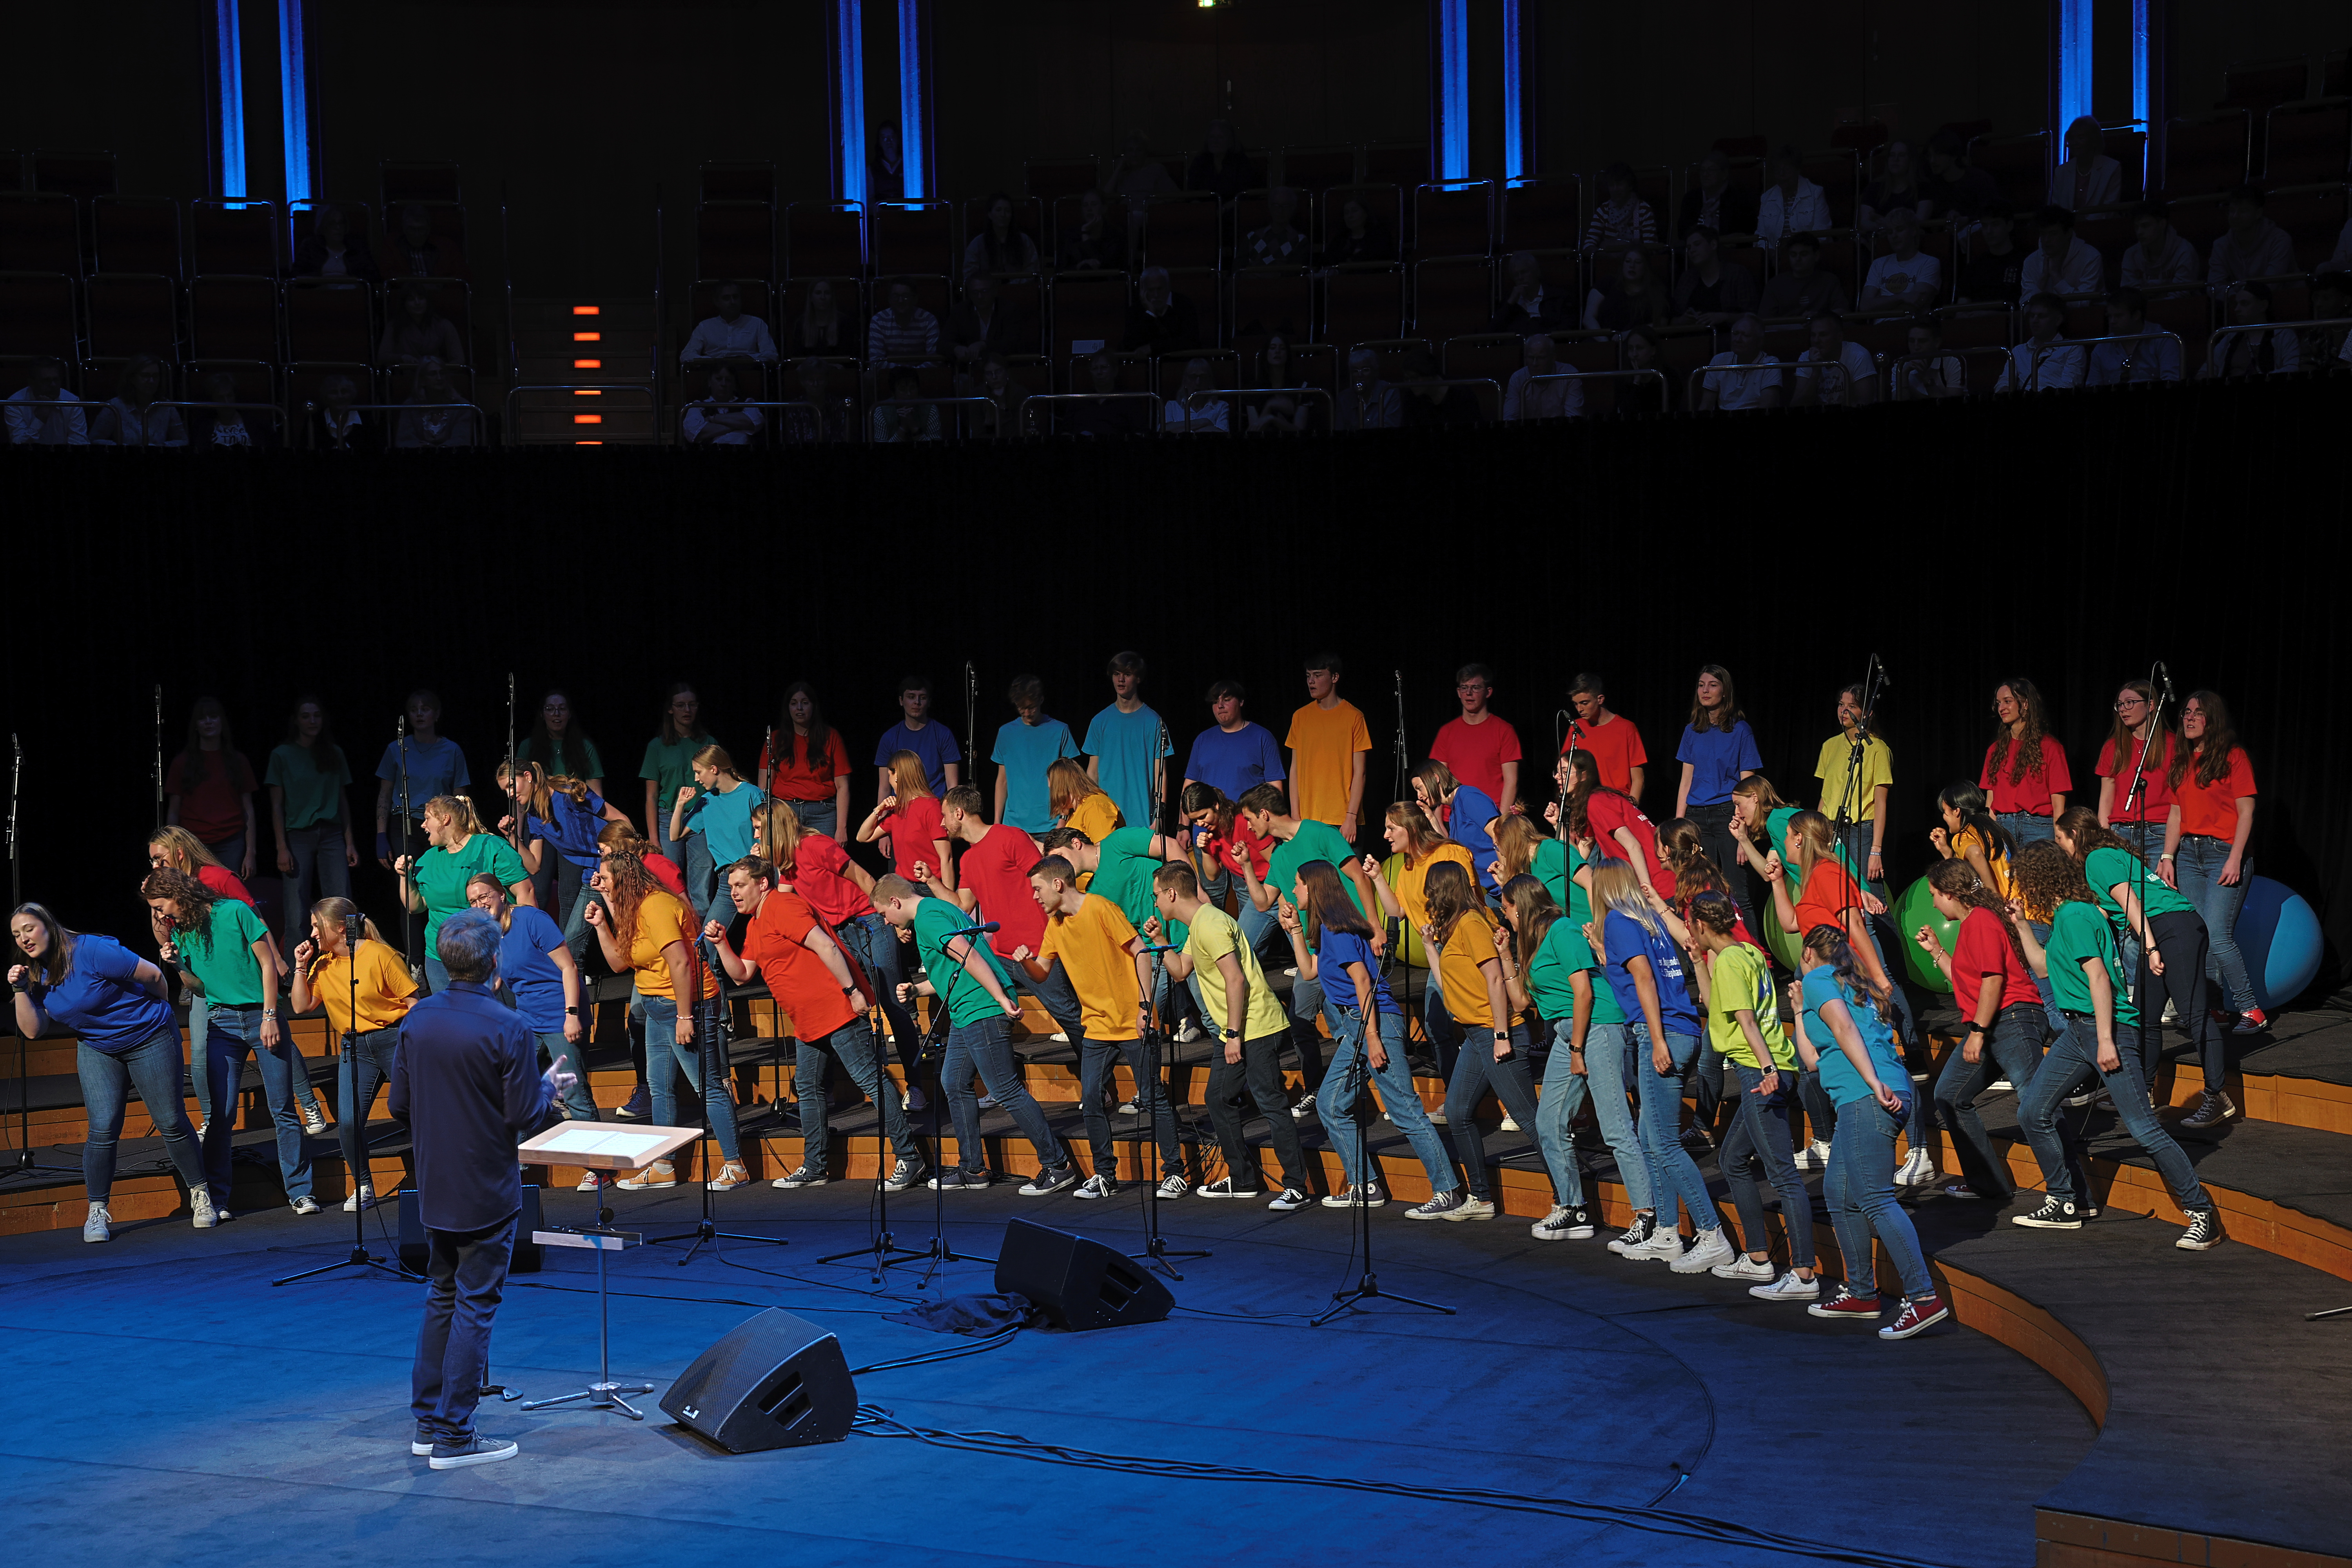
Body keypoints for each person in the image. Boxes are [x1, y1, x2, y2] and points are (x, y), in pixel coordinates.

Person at [392, 909, 574, 1469]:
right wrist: (548, 1091)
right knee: (474, 1305)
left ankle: (428, 1422)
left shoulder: (417, 1019)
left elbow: (400, 1105)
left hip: (436, 1186)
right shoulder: (508, 1026)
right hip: (486, 1189)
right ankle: (453, 1436)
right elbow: (524, 1114)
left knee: (441, 1296)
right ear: (496, 964)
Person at [2009, 844, 2225, 1250]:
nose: (2017, 885)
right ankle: (2066, 1201)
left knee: (2144, 1128)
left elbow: (2099, 980)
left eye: (2020, 877)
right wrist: (2021, 925)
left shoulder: (2075, 914)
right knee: (2033, 1111)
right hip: (2079, 1031)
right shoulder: (2070, 915)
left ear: (2037, 878)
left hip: (2104, 1029)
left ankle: (2202, 1214)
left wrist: (2107, 1040)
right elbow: (2042, 968)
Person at [711, 857, 923, 1193]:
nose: (733, 893)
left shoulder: (784, 906)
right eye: (732, 887)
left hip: (836, 1008)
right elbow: (741, 975)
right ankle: (815, 1166)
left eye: (740, 885)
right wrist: (722, 943)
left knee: (870, 1080)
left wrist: (853, 992)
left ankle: (910, 1157)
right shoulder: (755, 923)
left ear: (762, 884)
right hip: (809, 1019)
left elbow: (826, 946)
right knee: (808, 1087)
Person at [12, 902, 214, 1240]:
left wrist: (153, 1016)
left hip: (148, 1036)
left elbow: (153, 978)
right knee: (103, 1128)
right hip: (98, 1047)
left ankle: (201, 1193)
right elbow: (34, 1030)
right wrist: (20, 990)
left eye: (29, 929)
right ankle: (97, 1211)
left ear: (49, 925)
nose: (24, 939)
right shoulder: (36, 973)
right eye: (17, 935)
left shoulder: (93, 950)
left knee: (170, 1120)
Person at [1788, 926, 1950, 1338]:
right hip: (1869, 1094)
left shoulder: (1818, 978)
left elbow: (1845, 1030)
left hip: (1868, 1095)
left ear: (1809, 952)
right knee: (1840, 1194)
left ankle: (1923, 1298)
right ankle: (1862, 1292)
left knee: (1876, 1199)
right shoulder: (1845, 983)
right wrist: (1797, 1010)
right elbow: (1810, 1060)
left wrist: (1872, 1082)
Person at [875, 873, 1075, 1193]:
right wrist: (917, 990)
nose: (887, 922)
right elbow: (954, 971)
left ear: (895, 902)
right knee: (953, 1081)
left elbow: (967, 955)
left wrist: (999, 997)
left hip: (982, 1008)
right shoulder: (939, 910)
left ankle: (1057, 1166)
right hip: (968, 1010)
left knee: (1005, 1089)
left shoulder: (928, 919)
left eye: (885, 914)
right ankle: (973, 1169)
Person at [1275, 857, 1452, 1209]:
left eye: (1298, 884)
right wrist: (1294, 930)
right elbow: (1309, 972)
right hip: (1359, 1026)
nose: (1294, 891)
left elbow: (1363, 982)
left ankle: (1447, 1191)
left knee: (1405, 1110)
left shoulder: (1337, 931)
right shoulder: (1328, 928)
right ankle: (1365, 1186)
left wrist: (1372, 1037)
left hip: (1374, 1023)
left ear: (1314, 887)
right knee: (1330, 1104)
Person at [145, 866, 314, 1219]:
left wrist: (270, 1016)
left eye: (160, 906)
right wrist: (178, 966)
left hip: (260, 1014)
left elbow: (268, 964)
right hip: (221, 1021)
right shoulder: (186, 932)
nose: (159, 915)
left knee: (282, 1106)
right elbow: (201, 989)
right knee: (220, 1116)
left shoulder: (235, 910)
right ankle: (219, 1199)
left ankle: (300, 1192)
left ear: (179, 895)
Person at [1587, 861, 1728, 1268]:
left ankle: (1710, 1232)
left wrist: (1658, 1039)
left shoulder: (1618, 920)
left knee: (1664, 1143)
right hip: (1679, 1028)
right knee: (1650, 1137)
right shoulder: (1647, 919)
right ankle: (1667, 1233)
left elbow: (1646, 980)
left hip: (1662, 1032)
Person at [2052, 806, 2232, 1127]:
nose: (2061, 846)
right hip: (2162, 928)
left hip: (2173, 928)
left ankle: (2217, 1096)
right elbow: (2112, 912)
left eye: (2060, 839)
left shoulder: (2098, 858)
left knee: (2193, 1013)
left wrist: (2149, 947)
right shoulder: (2105, 858)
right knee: (2145, 1016)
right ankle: (2144, 1092)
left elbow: (2131, 904)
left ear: (2075, 835)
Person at [147, 824, 328, 1138]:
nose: (155, 866)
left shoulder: (218, 878)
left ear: (178, 853)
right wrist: (155, 902)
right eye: (151, 861)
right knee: (202, 1054)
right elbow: (165, 935)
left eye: (160, 859)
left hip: (243, 978)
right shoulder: (167, 896)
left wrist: (277, 957)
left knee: (276, 1042)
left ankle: (309, 1104)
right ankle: (211, 1118)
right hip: (204, 983)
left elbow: (253, 918)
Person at [584, 848, 748, 1192]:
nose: (599, 882)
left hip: (684, 1003)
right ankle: (663, 1166)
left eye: (606, 879)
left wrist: (686, 1016)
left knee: (708, 1086)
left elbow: (681, 963)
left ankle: (735, 1165)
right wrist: (602, 922)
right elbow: (618, 963)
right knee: (660, 1087)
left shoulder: (656, 906)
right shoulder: (633, 908)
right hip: (656, 1004)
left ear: (625, 880)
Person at [1149, 862, 1311, 1205]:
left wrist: (1234, 1033)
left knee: (1270, 1101)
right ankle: (1243, 1179)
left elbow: (1235, 979)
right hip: (1234, 1030)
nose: (1156, 903)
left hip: (1256, 1026)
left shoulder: (1211, 925)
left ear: (1172, 893)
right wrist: (1161, 942)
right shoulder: (1197, 927)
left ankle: (1296, 1185)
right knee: (1218, 1098)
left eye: (1157, 896)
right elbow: (1180, 972)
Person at [1019, 854, 1177, 1201]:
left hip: (1131, 1020)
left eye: (1038, 889)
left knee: (1152, 1097)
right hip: (1096, 1027)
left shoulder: (1101, 909)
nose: (1035, 896)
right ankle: (1106, 1175)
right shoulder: (1056, 926)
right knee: (1091, 1099)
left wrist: (1144, 1006)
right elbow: (1043, 973)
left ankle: (1174, 1172)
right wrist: (1025, 963)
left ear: (1058, 884)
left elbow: (1141, 951)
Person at [1684, 891, 1818, 1299]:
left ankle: (1804, 1274)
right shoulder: (1746, 952)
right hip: (1771, 1064)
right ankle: (1759, 1258)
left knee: (1782, 1175)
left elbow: (1744, 1019)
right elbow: (1716, 1005)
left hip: (1761, 1069)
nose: (1689, 930)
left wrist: (1766, 1069)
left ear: (1703, 925)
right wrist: (1696, 961)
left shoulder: (1728, 961)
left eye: (1691, 924)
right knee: (1732, 1159)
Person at [1497, 873, 1632, 1243]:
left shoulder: (1563, 929)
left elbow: (1585, 992)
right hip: (1565, 1031)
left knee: (1616, 1127)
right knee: (1548, 1122)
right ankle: (1573, 1209)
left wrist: (1576, 1049)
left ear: (1521, 907)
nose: (1503, 914)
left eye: (1506, 907)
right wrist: (1507, 955)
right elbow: (1524, 1004)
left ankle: (1650, 1218)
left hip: (1597, 1027)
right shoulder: (1533, 943)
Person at [1234, 781, 1380, 1112]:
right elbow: (1262, 903)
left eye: (1250, 819)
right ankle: (1320, 1089)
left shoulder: (1317, 833)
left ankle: (1367, 1083)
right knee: (1301, 1018)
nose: (1249, 827)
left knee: (1353, 1015)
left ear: (1264, 814)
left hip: (1349, 939)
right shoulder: (1282, 855)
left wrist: (1373, 929)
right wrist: (1246, 866)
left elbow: (1359, 877)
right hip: (1319, 950)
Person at [1913, 860, 2049, 1203]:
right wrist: (1937, 952)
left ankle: (2071, 1194)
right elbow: (1969, 979)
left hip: (2012, 1018)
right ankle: (1989, 1183)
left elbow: (1994, 980)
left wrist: (1976, 1031)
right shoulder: (1972, 924)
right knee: (1949, 1095)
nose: (1932, 903)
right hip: (1992, 1022)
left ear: (1949, 893)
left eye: (1934, 895)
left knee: (2037, 1104)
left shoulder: (1983, 921)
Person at [756, 800, 920, 1079]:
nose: (757, 836)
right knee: (842, 1002)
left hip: (867, 921)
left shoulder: (815, 846)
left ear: (776, 827)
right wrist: (759, 871)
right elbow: (779, 902)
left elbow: (863, 876)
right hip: (838, 933)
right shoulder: (786, 861)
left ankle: (916, 1086)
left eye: (760, 829)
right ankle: (853, 1080)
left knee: (892, 1002)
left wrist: (891, 920)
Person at [290, 897, 421, 1213]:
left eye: (316, 925)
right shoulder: (323, 964)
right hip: (355, 1048)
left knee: (417, 1112)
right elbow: (300, 1006)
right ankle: (363, 1185)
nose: (313, 933)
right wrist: (300, 967)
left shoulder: (380, 955)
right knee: (348, 1123)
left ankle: (436, 1174)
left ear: (339, 927)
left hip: (394, 1040)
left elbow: (413, 1004)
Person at [935, 785, 1085, 1043]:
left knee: (1069, 1015)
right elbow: (962, 904)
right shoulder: (968, 860)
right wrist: (931, 882)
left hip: (1035, 949)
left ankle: (1100, 1074)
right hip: (1001, 955)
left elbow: (1048, 883)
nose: (942, 822)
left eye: (944, 815)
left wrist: (1058, 938)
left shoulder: (1009, 837)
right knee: (979, 999)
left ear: (959, 813)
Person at [2162, 690, 2263, 1035]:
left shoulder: (2234, 757)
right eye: (2186, 712)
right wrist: (2167, 856)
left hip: (2224, 853)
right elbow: (2176, 813)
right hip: (2189, 854)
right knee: (2198, 933)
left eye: (2198, 713)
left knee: (2219, 935)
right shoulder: (2183, 762)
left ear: (2213, 719)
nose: (2189, 718)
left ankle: (2251, 1009)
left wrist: (2236, 857)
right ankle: (2214, 1009)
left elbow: (2247, 812)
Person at [394, 795, 535, 993]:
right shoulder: (427, 859)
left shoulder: (490, 847)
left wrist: (523, 944)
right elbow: (416, 906)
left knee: (498, 1019)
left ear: (445, 819)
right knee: (452, 1021)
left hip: (492, 953)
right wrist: (405, 877)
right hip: (440, 958)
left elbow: (525, 892)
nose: (423, 825)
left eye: (428, 819)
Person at [501, 760, 627, 961]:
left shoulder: (568, 794)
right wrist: (512, 837)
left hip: (619, 869)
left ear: (528, 776)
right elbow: (534, 866)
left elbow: (621, 819)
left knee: (634, 932)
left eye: (511, 785)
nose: (509, 794)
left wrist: (628, 859)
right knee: (572, 947)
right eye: (505, 790)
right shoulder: (534, 816)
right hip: (593, 878)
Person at [267, 696, 360, 957]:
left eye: (316, 716)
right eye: (306, 716)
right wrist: (281, 847)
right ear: (296, 721)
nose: (312, 721)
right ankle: (296, 970)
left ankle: (351, 957)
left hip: (331, 834)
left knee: (343, 902)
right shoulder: (282, 755)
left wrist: (350, 841)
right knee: (296, 906)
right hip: (298, 837)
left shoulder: (333, 753)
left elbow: (343, 800)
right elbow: (276, 806)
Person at [1675, 665, 1761, 924]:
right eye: (1701, 685)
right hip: (1696, 818)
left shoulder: (1740, 730)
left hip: (1728, 814)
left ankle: (1753, 957)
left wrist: (1743, 828)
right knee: (1704, 891)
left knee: (1737, 891)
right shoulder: (1692, 731)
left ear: (1725, 691)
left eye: (1713, 685)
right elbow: (1686, 780)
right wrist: (1679, 824)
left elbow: (1749, 784)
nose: (1705, 690)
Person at [667, 745, 765, 923]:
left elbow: (770, 834)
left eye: (698, 772)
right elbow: (675, 836)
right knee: (708, 939)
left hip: (756, 874)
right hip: (729, 879)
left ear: (714, 769)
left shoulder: (751, 793)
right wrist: (680, 804)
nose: (696, 779)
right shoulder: (708, 801)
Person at [165, 696, 259, 882]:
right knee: (196, 899)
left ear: (221, 722)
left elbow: (248, 809)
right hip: (193, 843)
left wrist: (251, 853)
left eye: (213, 717)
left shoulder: (237, 761)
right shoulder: (182, 763)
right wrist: (172, 850)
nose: (208, 722)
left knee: (228, 897)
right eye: (203, 718)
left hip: (231, 841)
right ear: (196, 725)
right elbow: (173, 812)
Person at [376, 689, 468, 873]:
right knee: (409, 877)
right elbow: (385, 795)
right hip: (404, 823)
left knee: (437, 877)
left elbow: (460, 796)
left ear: (437, 714)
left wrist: (462, 832)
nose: (419, 714)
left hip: (441, 823)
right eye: (413, 710)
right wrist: (381, 835)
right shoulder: (397, 749)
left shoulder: (452, 750)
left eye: (425, 709)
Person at [1815, 682, 1893, 898]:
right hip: (1831, 829)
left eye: (1852, 706)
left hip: (1862, 830)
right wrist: (1818, 832)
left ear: (1867, 713)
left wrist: (1876, 850)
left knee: (1871, 896)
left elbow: (1881, 803)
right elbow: (1826, 795)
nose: (1844, 711)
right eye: (1841, 705)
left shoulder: (1878, 748)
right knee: (1837, 895)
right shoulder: (1829, 746)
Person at [1081, 652, 1170, 832]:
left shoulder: (1155, 722)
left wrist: (1160, 816)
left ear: (1138, 678)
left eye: (1127, 675)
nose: (1121, 680)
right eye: (1116, 674)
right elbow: (1092, 773)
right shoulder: (1100, 722)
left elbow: (1161, 775)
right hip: (1106, 818)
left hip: (1143, 820)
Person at [1286, 652, 1371, 840]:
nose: (1311, 682)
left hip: (1343, 820)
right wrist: (1295, 816)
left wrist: (1351, 818)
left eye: (1318, 675)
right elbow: (1295, 769)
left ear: (1334, 677)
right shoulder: (1300, 717)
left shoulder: (1354, 717)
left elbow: (1360, 773)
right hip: (1308, 820)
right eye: (1308, 676)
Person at [640, 683, 715, 885]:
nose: (687, 710)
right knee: (669, 881)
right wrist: (653, 838)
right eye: (681, 705)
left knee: (702, 882)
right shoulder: (657, 746)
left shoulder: (708, 742)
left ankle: (702, 918)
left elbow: (719, 788)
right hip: (668, 818)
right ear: (671, 709)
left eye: (692, 705)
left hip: (701, 819)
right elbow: (651, 797)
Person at [1981, 677, 2070, 846]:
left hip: (2038, 828)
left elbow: (2059, 803)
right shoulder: (1995, 750)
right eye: (1999, 703)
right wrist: (1990, 835)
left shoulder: (2050, 747)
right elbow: (1991, 802)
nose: (2002, 708)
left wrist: (2060, 838)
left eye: (2008, 701)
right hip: (2003, 828)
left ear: (2026, 704)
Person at [991, 675, 1082, 834]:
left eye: (1031, 707)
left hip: (1050, 825)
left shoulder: (1060, 730)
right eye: (1021, 707)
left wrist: (1063, 819)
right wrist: (997, 822)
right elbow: (1003, 780)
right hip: (1013, 826)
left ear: (1041, 700)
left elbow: (1071, 780)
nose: (1027, 712)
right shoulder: (1006, 733)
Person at [2095, 680, 2175, 857]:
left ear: (2151, 705)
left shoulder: (2173, 745)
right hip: (2120, 833)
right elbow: (2107, 797)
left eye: (2130, 703)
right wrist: (2104, 836)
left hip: (2159, 833)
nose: (2123, 709)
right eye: (2120, 705)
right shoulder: (2113, 747)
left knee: (2153, 885)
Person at [1428, 663, 1522, 814]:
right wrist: (1438, 821)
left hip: (1490, 817)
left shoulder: (1504, 731)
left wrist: (1501, 824)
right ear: (1459, 692)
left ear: (1488, 692)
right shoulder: (1447, 732)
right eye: (1464, 688)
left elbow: (1511, 782)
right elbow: (1438, 780)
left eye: (1476, 688)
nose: (1469, 693)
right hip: (1454, 819)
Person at [761, 682, 849, 840]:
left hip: (823, 814)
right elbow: (764, 786)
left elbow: (843, 786)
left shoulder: (831, 737)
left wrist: (841, 829)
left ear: (814, 707)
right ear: (788, 708)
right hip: (785, 812)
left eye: (805, 703)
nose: (799, 708)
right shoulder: (776, 739)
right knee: (783, 863)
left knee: (824, 863)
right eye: (794, 703)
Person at [859, 749, 955, 894]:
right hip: (904, 888)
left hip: (929, 888)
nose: (889, 780)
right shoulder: (899, 810)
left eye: (890, 774)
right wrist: (879, 809)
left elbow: (946, 858)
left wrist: (949, 902)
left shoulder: (931, 807)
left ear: (897, 774)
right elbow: (863, 837)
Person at [1183, 680, 1285, 804]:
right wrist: (1183, 823)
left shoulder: (1262, 737)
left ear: (1241, 702)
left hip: (1247, 822)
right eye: (1215, 702)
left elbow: (1275, 788)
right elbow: (1189, 786)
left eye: (1227, 700)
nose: (1220, 706)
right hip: (1206, 823)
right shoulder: (1202, 740)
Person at [1413, 759, 1502, 893]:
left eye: (1419, 788)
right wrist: (1432, 819)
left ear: (1435, 778)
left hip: (1501, 887)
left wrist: (1508, 877)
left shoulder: (1468, 797)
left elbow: (1501, 834)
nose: (1419, 796)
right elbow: (1454, 851)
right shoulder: (1454, 812)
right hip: (1485, 890)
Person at [1560, 673, 1645, 800]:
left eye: (1585, 703)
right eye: (1576, 704)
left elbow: (1639, 778)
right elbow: (1566, 771)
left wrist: (1632, 809)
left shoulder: (1626, 728)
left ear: (1600, 699)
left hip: (1617, 801)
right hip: (1583, 803)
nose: (1579, 709)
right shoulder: (1576, 727)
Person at [874, 675, 961, 797]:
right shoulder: (889, 738)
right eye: (911, 697)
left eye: (923, 698)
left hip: (934, 808)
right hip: (901, 810)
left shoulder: (943, 734)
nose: (917, 702)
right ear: (901, 701)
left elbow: (953, 786)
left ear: (929, 702)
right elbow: (884, 789)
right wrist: (880, 814)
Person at [2200, 281, 2301, 379]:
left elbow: (2292, 367)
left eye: (2244, 304)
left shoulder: (2283, 334)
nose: (2237, 309)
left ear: (2263, 306)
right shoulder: (2231, 337)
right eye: (2237, 304)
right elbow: (2208, 368)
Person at [947, 273, 1032, 385]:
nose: (980, 297)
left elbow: (1013, 343)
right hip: (971, 370)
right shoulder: (960, 311)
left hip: (1005, 369)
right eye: (975, 292)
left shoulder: (1010, 310)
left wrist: (984, 345)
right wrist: (956, 348)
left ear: (994, 291)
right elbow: (943, 343)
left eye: (984, 292)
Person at [2087, 289, 2183, 385]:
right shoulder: (2102, 347)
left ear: (2137, 315)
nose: (2112, 322)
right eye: (2109, 316)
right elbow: (2093, 388)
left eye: (2118, 316)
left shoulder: (2164, 340)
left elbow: (2172, 385)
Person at [1995, 292, 2088, 392]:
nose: (2035, 320)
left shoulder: (2072, 348)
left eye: (2042, 316)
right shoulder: (2019, 351)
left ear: (2058, 320)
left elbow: (2068, 388)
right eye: (2032, 316)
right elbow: (2004, 382)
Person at [1673, 225, 1760, 327]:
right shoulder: (1687, 278)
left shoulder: (1737, 274)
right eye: (1689, 248)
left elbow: (1753, 316)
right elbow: (1672, 319)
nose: (1692, 250)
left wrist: (1725, 317)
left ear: (1713, 245)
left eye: (1697, 244)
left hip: (1729, 337)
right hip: (1692, 338)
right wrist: (1681, 321)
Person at [91, 354, 185, 447]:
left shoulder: (167, 407)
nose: (152, 381)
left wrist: (160, 447)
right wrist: (123, 448)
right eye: (146, 376)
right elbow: (94, 440)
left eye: (156, 376)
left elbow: (183, 440)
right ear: (132, 378)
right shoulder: (115, 406)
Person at [2206, 185, 2294, 285]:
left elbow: (2272, 283)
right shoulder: (2220, 246)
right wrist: (2235, 298)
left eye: (2243, 211)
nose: (2235, 216)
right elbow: (2214, 286)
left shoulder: (2280, 240)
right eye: (2232, 211)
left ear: (2258, 213)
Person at [1697, 314, 1786, 411]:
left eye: (1746, 335)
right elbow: (1706, 406)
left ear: (1760, 342)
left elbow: (1766, 408)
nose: (1738, 340)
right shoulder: (1719, 360)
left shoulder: (1771, 363)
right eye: (1735, 334)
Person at [1791, 310, 1878, 407]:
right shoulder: (1805, 358)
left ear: (1839, 337)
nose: (1816, 341)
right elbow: (1797, 407)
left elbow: (1864, 404)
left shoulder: (1858, 355)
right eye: (1813, 335)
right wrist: (1815, 372)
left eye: (1823, 335)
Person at [680, 280, 777, 366]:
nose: (732, 302)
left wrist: (748, 360)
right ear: (717, 302)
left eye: (735, 297)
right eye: (726, 298)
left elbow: (772, 354)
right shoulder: (705, 326)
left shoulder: (757, 323)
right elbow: (686, 355)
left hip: (748, 370)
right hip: (714, 372)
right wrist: (713, 362)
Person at [1859, 209, 1942, 309]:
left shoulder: (1929, 263)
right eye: (1890, 232)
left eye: (1900, 230)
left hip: (1911, 323)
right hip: (1881, 324)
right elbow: (1864, 306)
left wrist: (1879, 302)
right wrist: (1902, 297)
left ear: (1914, 231)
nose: (1894, 236)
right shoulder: (1879, 264)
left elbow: (1916, 303)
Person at [1583, 245, 1673, 332]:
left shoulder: (1656, 291)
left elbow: (1661, 322)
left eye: (1638, 262)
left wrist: (1629, 336)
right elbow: (1589, 318)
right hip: (1603, 340)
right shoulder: (1607, 283)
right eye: (1628, 261)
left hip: (1639, 343)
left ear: (1646, 266)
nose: (1632, 266)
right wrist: (1604, 341)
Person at [2020, 206, 2103, 298]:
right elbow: (2025, 308)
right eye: (2043, 234)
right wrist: (2043, 279)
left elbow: (2083, 304)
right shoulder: (2031, 262)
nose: (2047, 240)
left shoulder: (2091, 257)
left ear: (2068, 233)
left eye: (2053, 234)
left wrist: (2056, 277)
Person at [1122, 267, 1205, 358]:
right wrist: (1150, 314)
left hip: (1180, 362)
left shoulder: (1184, 304)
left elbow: (1190, 341)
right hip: (1148, 365)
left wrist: (1153, 347)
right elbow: (1131, 345)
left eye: (1160, 289)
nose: (1156, 295)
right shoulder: (1136, 310)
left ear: (1168, 286)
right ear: (1143, 290)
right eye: (1151, 290)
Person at [1756, 145, 1830, 247]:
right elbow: (1761, 237)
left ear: (1797, 169)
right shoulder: (1767, 198)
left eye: (1786, 169)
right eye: (1777, 170)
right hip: (1775, 258)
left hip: (1807, 257)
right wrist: (1771, 254)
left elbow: (1822, 235)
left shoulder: (1815, 194)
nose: (1781, 174)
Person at [1953, 203, 2026, 305]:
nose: (1989, 231)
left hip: (2009, 320)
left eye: (1995, 225)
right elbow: (1962, 305)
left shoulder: (2025, 263)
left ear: (2009, 226)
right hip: (1975, 319)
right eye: (1985, 226)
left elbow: (2025, 310)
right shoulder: (1974, 266)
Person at [1919, 131, 2002, 220]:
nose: (1932, 161)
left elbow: (1993, 214)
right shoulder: (1933, 184)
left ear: (1954, 156)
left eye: (1939, 155)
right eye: (1930, 156)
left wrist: (1966, 220)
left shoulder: (1980, 180)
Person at [394, 359, 475, 450]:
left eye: (442, 373)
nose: (439, 378)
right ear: (422, 380)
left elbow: (462, 439)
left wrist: (438, 450)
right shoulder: (410, 406)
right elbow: (405, 439)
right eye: (433, 374)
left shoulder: (462, 406)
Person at [383, 280, 466, 366]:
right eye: (411, 299)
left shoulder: (444, 325)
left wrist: (440, 370)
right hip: (408, 373)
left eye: (421, 298)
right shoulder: (394, 326)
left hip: (437, 376)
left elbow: (459, 359)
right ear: (404, 304)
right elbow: (383, 357)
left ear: (427, 301)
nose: (417, 303)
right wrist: (402, 358)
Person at [2120, 200, 2200, 289]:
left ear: (2162, 224)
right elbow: (2128, 295)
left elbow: (2182, 295)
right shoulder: (2131, 255)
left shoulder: (2184, 251)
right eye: (2137, 227)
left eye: (2145, 226)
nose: (2139, 232)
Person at [866, 280, 943, 372]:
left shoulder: (928, 320)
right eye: (896, 297)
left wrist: (913, 373)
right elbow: (876, 361)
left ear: (915, 299)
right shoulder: (879, 320)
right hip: (889, 375)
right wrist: (905, 373)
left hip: (922, 375)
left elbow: (934, 359)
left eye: (906, 297)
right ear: (889, 300)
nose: (901, 301)